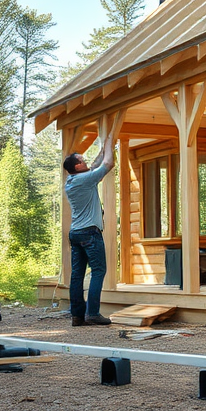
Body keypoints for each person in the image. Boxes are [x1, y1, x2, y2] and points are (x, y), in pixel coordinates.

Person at [62, 124, 118, 327]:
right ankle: (92, 313)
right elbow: (108, 164)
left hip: (76, 233)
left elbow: (95, 164)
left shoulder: (72, 181)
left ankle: (77, 316)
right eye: (82, 161)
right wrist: (111, 146)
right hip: (90, 234)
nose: (85, 162)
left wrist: (105, 146)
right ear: (77, 167)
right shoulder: (85, 180)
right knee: (98, 271)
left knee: (77, 275)